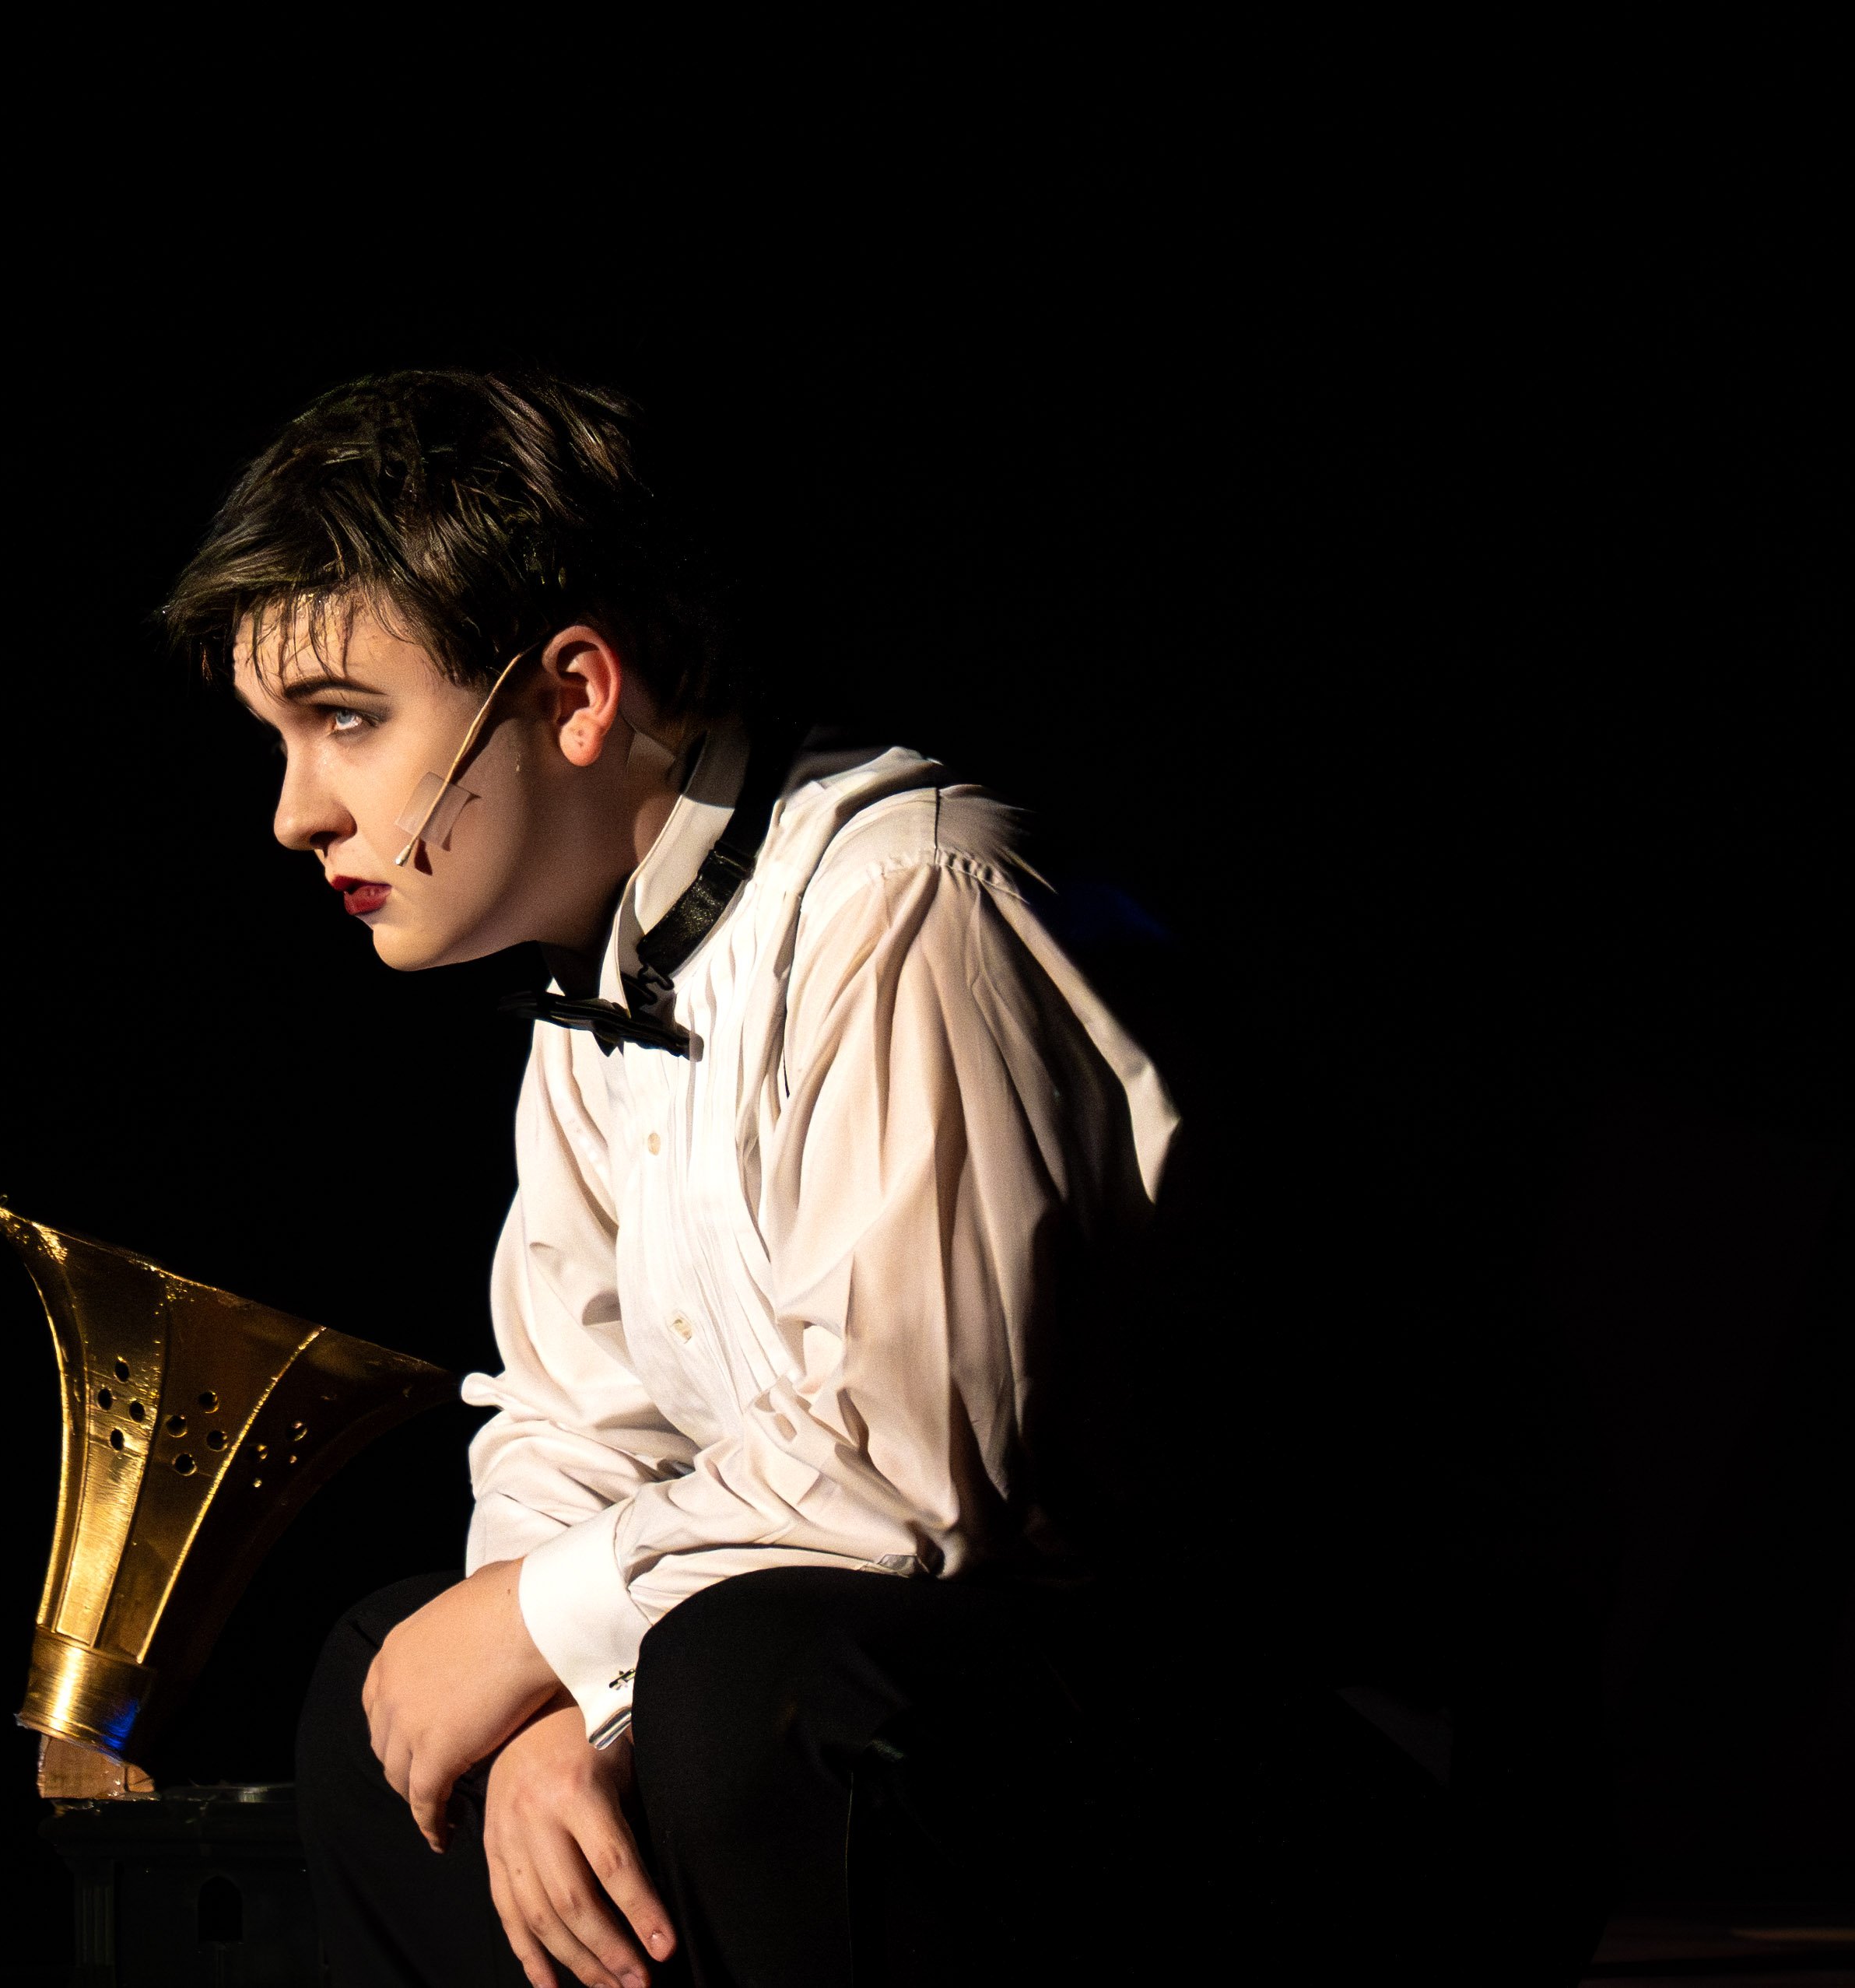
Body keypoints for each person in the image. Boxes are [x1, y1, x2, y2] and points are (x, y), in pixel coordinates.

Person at [160, 371, 1446, 1988]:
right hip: (938, 1708)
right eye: (278, 739)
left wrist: (550, 1644)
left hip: (1291, 1772)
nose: (294, 812)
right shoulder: (601, 976)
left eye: (345, 720)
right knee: (395, 1690)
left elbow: (908, 1482)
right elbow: (577, 1427)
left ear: (572, 691)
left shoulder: (914, 905)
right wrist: (555, 1705)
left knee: (751, 1680)